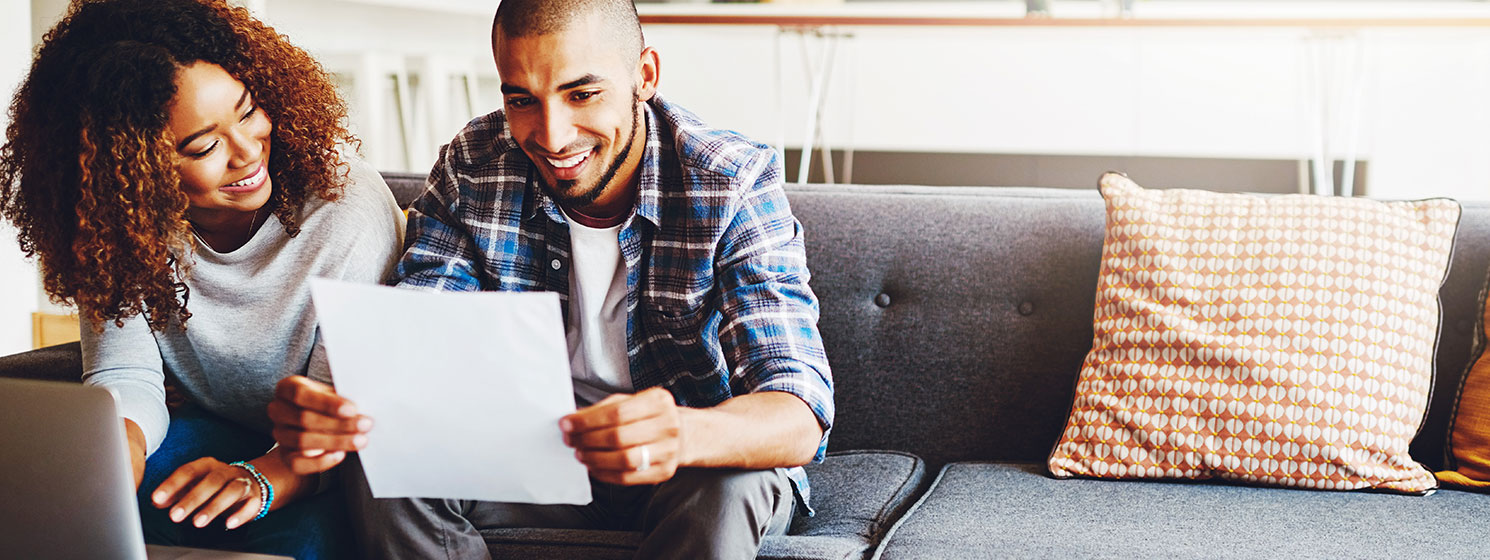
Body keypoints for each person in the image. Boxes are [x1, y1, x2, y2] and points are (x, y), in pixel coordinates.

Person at [267, 0, 835, 558]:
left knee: (727, 485)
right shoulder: (475, 166)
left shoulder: (729, 182)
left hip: (689, 464)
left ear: (645, 76)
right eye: (522, 100)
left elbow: (797, 409)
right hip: (535, 461)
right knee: (380, 462)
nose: (552, 136)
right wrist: (342, 406)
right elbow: (427, 331)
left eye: (581, 93)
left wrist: (680, 433)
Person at [0, 1, 403, 558]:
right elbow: (125, 372)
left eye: (249, 111)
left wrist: (264, 479)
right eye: (203, 146)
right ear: (132, 164)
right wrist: (119, 451)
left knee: (309, 542)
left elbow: (342, 412)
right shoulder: (117, 222)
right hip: (199, 429)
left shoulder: (344, 206)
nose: (247, 152)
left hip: (320, 458)